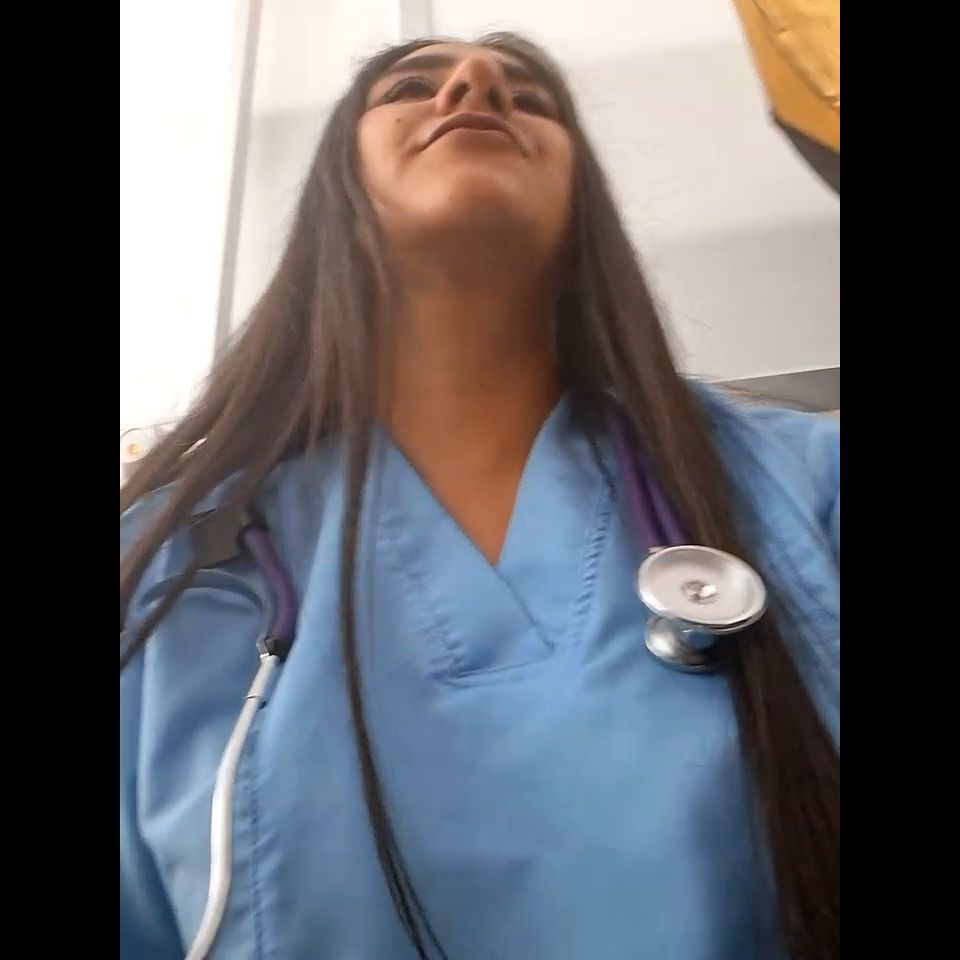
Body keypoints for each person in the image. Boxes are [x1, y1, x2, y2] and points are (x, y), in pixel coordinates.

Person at [120, 34, 839, 960]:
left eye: (532, 99)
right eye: (412, 86)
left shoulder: (806, 485)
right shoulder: (164, 567)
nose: (477, 83)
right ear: (335, 190)